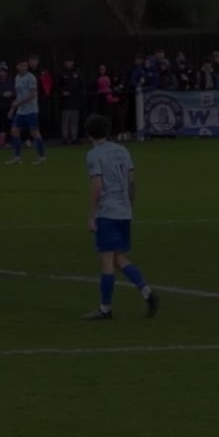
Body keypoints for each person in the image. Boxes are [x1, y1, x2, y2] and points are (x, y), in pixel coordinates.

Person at [81, 114, 158, 321]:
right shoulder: (123, 150)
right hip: (124, 211)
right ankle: (146, 292)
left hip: (107, 211)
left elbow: (97, 186)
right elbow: (132, 182)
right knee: (118, 258)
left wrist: (92, 215)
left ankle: (105, 309)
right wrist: (129, 205)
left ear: (89, 134)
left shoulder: (94, 154)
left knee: (106, 260)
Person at [6, 60, 47, 165]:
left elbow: (32, 94)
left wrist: (19, 102)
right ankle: (17, 157)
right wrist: (12, 109)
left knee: (34, 133)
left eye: (24, 65)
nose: (23, 67)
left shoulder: (31, 78)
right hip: (20, 111)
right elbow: (19, 95)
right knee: (14, 131)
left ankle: (42, 156)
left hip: (31, 110)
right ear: (17, 66)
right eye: (21, 65)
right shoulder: (17, 78)